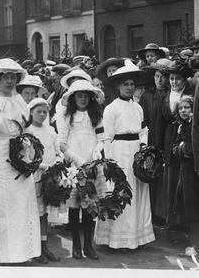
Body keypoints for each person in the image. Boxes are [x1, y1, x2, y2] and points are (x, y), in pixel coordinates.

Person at [0, 58, 40, 264]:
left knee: (19, 203)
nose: (9, 81)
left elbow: (28, 128)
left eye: (13, 77)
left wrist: (28, 149)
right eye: (5, 77)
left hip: (20, 154)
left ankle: (20, 252)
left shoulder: (20, 101)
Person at [95, 59, 155, 249]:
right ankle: (116, 239)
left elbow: (143, 130)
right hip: (120, 152)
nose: (129, 87)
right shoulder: (111, 109)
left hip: (136, 152)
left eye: (132, 84)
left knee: (138, 192)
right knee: (121, 191)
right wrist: (111, 164)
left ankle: (136, 237)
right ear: (118, 86)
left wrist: (144, 150)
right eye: (126, 84)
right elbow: (107, 138)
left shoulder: (138, 107)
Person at [57, 80, 105, 259]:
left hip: (91, 165)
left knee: (89, 205)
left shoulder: (96, 116)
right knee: (74, 206)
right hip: (73, 167)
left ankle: (88, 246)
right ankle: (76, 245)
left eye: (86, 96)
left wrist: (96, 152)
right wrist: (78, 160)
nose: (83, 99)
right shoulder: (67, 116)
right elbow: (61, 144)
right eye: (79, 95)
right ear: (73, 98)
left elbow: (102, 138)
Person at [155, 63, 195, 233]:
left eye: (177, 79)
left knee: (184, 180)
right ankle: (171, 220)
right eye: (171, 79)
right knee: (170, 178)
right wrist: (159, 146)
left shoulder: (190, 95)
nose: (173, 82)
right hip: (168, 139)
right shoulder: (165, 95)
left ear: (184, 80)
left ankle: (185, 220)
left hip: (186, 138)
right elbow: (160, 122)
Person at [25, 97, 61, 264]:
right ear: (31, 112)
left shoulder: (51, 131)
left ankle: (44, 246)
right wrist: (45, 167)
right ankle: (34, 248)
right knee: (35, 212)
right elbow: (28, 157)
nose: (41, 114)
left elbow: (57, 150)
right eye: (38, 111)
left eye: (44, 112)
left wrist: (58, 163)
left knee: (45, 212)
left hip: (50, 176)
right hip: (35, 176)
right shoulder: (28, 131)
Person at [139, 59, 171, 225]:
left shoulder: (169, 96)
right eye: (157, 76)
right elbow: (142, 121)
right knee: (150, 177)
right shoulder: (147, 96)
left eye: (163, 77)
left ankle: (161, 214)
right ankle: (149, 214)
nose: (160, 80)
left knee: (163, 179)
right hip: (150, 141)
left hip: (165, 141)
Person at [171, 96, 199, 243]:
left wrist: (182, 147)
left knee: (194, 205)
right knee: (188, 206)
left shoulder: (193, 125)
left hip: (193, 171)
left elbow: (192, 147)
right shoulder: (181, 125)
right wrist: (180, 147)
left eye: (187, 107)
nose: (183, 110)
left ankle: (195, 243)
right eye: (181, 108)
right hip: (185, 171)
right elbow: (175, 146)